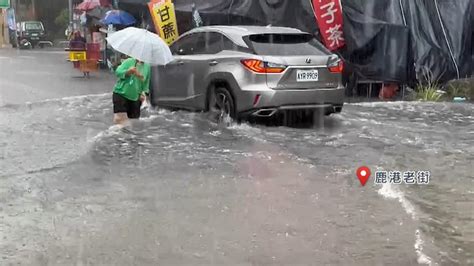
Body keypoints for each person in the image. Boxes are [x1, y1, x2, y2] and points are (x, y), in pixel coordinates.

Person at [112, 57, 151, 126]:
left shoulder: (147, 66)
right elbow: (118, 72)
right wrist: (128, 72)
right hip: (121, 93)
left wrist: (144, 93)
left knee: (134, 123)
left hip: (136, 97)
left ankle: (129, 136)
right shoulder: (129, 61)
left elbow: (146, 82)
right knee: (121, 120)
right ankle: (119, 134)